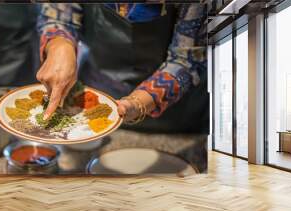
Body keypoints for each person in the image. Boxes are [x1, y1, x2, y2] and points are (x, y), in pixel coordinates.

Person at [36, 3, 208, 133]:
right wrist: (60, 45)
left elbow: (187, 60)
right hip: (96, 100)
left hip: (174, 118)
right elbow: (58, 15)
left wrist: (137, 103)